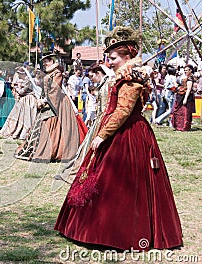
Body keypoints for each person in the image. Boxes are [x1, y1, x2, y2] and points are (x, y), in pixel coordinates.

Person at [55, 26, 182, 251]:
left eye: (113, 58)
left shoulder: (131, 78)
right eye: (108, 57)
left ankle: (115, 231)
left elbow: (123, 111)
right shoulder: (124, 76)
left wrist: (102, 135)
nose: (109, 62)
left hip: (128, 134)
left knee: (119, 181)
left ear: (127, 57)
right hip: (120, 129)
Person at [15, 52, 87, 162]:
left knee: (52, 125)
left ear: (52, 61)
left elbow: (55, 90)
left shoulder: (57, 73)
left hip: (57, 103)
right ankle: (37, 149)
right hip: (48, 101)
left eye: (46, 61)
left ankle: (52, 151)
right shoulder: (49, 73)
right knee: (42, 124)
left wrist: (44, 100)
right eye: (43, 62)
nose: (44, 64)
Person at [0, 67, 38, 140]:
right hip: (23, 99)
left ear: (23, 74)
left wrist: (15, 87)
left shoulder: (28, 81)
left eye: (19, 74)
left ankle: (23, 133)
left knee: (26, 117)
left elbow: (22, 92)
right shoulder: (24, 80)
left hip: (28, 99)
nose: (18, 75)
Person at [172, 64, 196, 131]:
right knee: (179, 112)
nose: (185, 71)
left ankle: (184, 127)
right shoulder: (186, 77)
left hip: (187, 97)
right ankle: (178, 126)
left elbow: (188, 89)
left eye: (186, 70)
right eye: (184, 70)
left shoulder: (190, 78)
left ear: (190, 70)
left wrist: (185, 99)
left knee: (185, 112)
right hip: (181, 96)